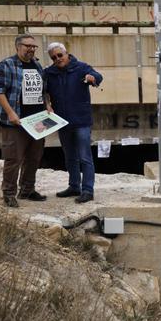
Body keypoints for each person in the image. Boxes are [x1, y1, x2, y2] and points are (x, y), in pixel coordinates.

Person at [0, 34, 48, 207]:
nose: (31, 49)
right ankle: (9, 193)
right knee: (13, 158)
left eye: (34, 46)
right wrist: (10, 113)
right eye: (27, 46)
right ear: (18, 47)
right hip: (16, 121)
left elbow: (42, 90)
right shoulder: (6, 65)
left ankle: (27, 190)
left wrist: (48, 106)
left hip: (37, 120)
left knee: (34, 157)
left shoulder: (37, 65)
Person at [43, 42, 103, 204]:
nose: (57, 59)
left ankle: (88, 190)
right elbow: (43, 92)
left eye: (60, 55)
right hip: (62, 122)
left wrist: (93, 78)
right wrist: (47, 105)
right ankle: (74, 186)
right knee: (70, 157)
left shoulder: (81, 68)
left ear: (66, 54)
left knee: (85, 157)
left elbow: (98, 76)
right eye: (54, 57)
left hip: (81, 120)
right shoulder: (49, 73)